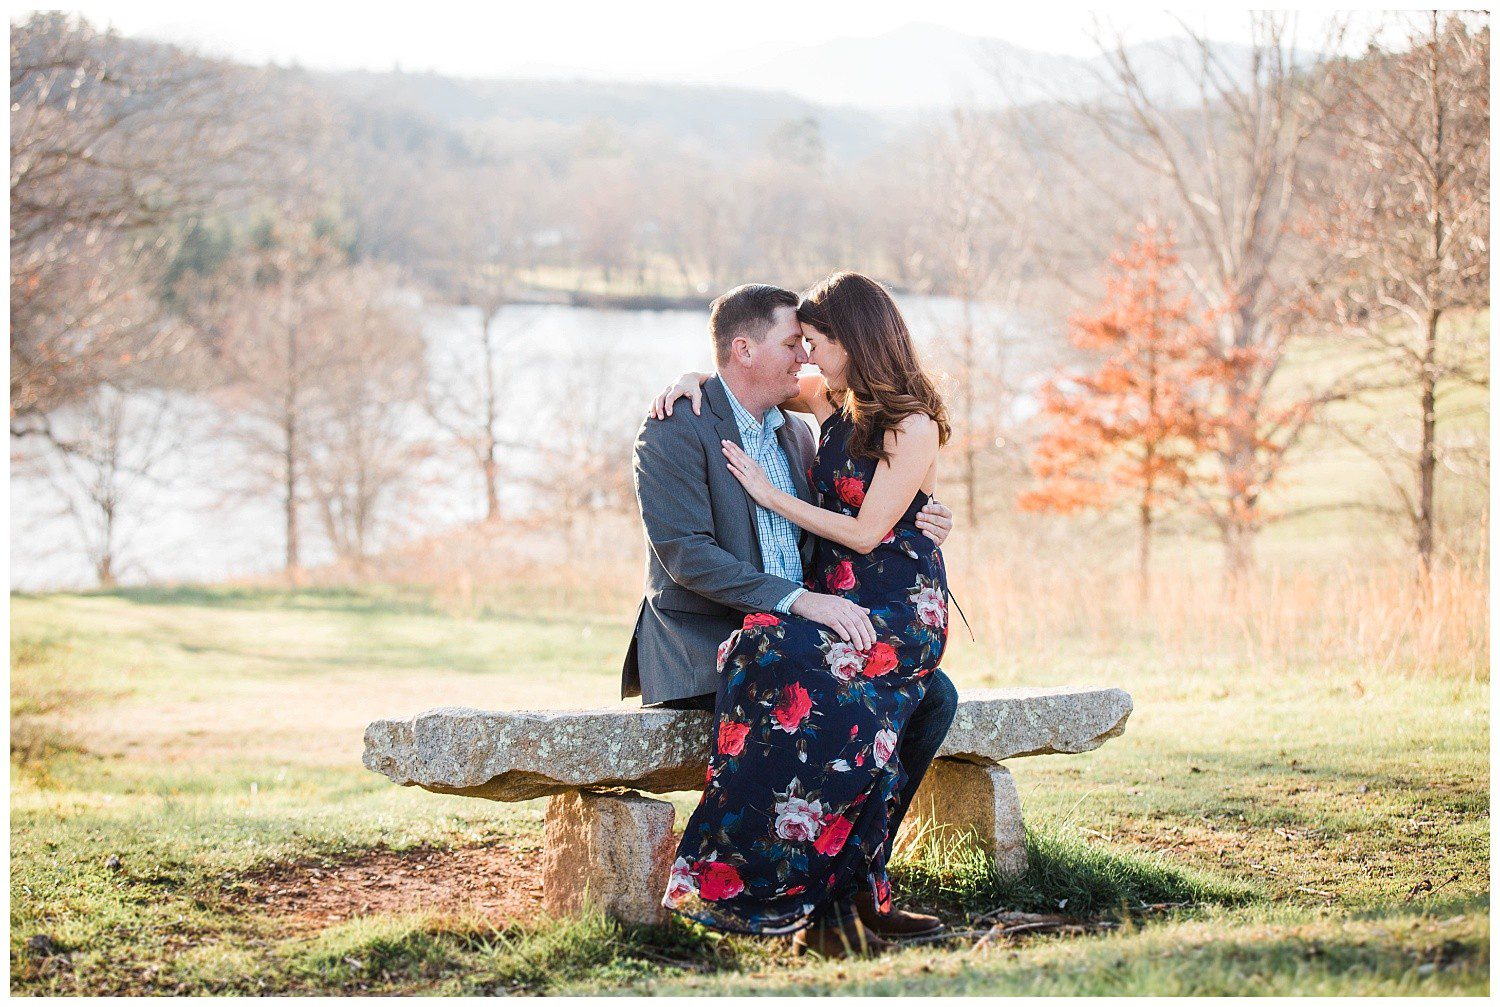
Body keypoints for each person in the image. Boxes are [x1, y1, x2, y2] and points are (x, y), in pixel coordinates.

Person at [627, 275, 957, 957]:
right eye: (792, 343)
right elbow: (688, 556)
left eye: (812, 343)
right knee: (855, 701)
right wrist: (799, 600)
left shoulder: (796, 433)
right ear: (745, 350)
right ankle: (796, 897)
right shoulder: (677, 427)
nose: (804, 358)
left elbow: (861, 518)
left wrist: (922, 517)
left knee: (932, 697)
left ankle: (851, 894)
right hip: (717, 639)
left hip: (821, 621)